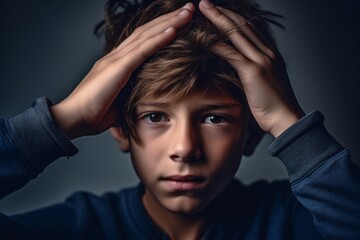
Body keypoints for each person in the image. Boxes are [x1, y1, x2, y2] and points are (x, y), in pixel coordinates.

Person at [0, 0, 359, 239]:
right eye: (155, 116)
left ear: (252, 134)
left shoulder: (295, 221)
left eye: (215, 118)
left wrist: (288, 121)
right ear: (120, 129)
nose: (185, 149)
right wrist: (61, 121)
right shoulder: (75, 229)